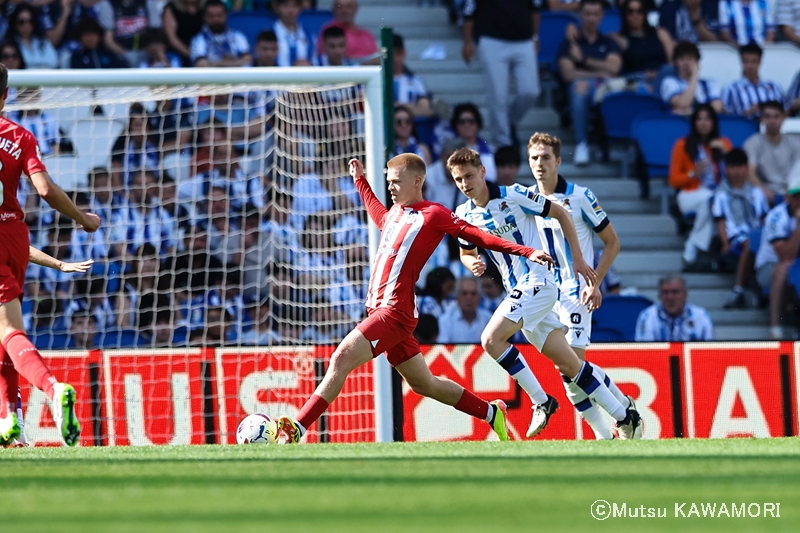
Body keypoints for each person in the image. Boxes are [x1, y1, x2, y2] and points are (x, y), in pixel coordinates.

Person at [276, 154, 554, 444]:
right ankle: (491, 413)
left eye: (396, 182)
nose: (391, 187)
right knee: (424, 384)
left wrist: (527, 251)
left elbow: (479, 236)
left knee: (341, 358)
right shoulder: (395, 214)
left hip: (393, 312)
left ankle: (298, 427)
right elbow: (377, 213)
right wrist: (360, 181)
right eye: (389, 182)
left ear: (417, 181)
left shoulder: (433, 214)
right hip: (380, 311)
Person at [448, 147, 641, 440]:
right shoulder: (464, 213)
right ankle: (624, 417)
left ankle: (541, 401)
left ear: (483, 172)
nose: (465, 184)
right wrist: (471, 262)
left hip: (538, 281)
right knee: (569, 365)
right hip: (518, 291)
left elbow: (560, 213)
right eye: (458, 179)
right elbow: (466, 251)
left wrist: (578, 259)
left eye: (469, 176)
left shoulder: (514, 195)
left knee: (491, 339)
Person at [0, 64, 101, 447]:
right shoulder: (20, 135)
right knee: (5, 335)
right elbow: (43, 188)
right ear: (5, 96)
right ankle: (11, 423)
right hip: (14, 235)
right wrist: (82, 219)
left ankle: (52, 389)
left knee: (8, 331)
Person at [525, 133, 628, 439]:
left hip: (576, 291)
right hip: (544, 294)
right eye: (534, 158)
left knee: (572, 366)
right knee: (567, 367)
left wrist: (594, 283)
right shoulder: (525, 199)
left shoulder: (580, 197)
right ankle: (621, 413)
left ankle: (608, 428)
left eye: (546, 157)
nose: (540, 164)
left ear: (558, 161)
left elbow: (612, 242)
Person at [461, 0, 540, 148]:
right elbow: (469, 11)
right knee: (497, 96)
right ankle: (503, 143)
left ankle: (510, 121)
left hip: (524, 40)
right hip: (492, 40)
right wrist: (467, 42)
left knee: (531, 91)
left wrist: (535, 36)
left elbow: (535, 9)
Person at [556, 0, 622, 166]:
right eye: (587, 14)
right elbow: (568, 74)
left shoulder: (608, 42)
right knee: (579, 88)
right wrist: (599, 73)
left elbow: (614, 68)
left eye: (595, 14)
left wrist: (583, 60)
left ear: (602, 16)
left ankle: (607, 142)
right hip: (583, 86)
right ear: (580, 15)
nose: (591, 18)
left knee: (606, 91)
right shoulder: (570, 42)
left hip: (605, 87)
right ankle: (582, 144)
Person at [669, 103, 732, 267]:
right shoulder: (682, 145)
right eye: (699, 119)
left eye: (707, 119)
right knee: (713, 199)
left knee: (714, 200)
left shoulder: (724, 143)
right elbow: (673, 180)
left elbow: (736, 174)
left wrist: (725, 154)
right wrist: (693, 173)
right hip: (690, 194)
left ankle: (693, 243)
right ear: (694, 122)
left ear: (714, 122)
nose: (703, 123)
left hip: (718, 194)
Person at [713, 149, 769, 308]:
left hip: (758, 232)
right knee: (749, 242)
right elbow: (720, 221)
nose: (737, 171)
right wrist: (725, 242)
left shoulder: (757, 192)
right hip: (736, 236)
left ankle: (764, 288)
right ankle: (738, 289)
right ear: (726, 169)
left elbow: (764, 218)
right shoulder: (721, 194)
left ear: (746, 168)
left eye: (740, 167)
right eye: (732, 167)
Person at [754, 169, 800, 339]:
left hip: (796, 264)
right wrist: (799, 226)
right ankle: (775, 327)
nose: (799, 201)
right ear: (787, 197)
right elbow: (785, 256)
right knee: (783, 269)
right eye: (796, 196)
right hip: (768, 268)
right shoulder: (775, 217)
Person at [744, 100, 800, 204]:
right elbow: (750, 173)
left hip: (792, 193)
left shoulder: (795, 144)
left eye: (776, 116)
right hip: (764, 194)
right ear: (762, 119)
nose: (772, 121)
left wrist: (790, 193)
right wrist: (764, 191)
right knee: (756, 194)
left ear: (783, 118)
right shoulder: (752, 143)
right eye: (767, 116)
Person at [612, 0, 674, 93]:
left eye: (639, 11)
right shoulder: (621, 40)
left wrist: (658, 74)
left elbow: (672, 60)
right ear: (624, 14)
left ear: (645, 13)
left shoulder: (661, 33)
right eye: (630, 11)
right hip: (638, 80)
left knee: (669, 70)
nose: (635, 15)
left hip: (662, 76)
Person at [635, 275, 714, 341]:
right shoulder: (647, 316)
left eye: (675, 292)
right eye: (665, 292)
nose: (670, 298)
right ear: (660, 296)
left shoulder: (701, 316)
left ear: (685, 295)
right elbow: (644, 351)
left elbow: (709, 350)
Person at [721, 44, 785, 118]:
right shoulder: (731, 88)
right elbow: (727, 117)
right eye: (746, 61)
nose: (750, 65)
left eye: (754, 61)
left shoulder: (774, 87)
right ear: (741, 62)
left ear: (760, 62)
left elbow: (785, 111)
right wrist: (749, 112)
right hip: (744, 124)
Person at [660, 40, 722, 115]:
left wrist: (692, 112)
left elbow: (717, 107)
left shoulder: (710, 83)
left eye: (690, 59)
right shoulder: (669, 82)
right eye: (682, 59)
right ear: (676, 62)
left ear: (697, 61)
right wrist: (694, 76)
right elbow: (682, 104)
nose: (686, 63)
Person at [190, 0, 251, 67]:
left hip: (237, 74)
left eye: (219, 15)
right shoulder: (198, 39)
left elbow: (248, 59)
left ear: (225, 15)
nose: (215, 19)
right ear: (204, 17)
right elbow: (201, 64)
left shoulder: (238, 36)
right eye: (211, 16)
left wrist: (215, 64)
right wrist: (235, 63)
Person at [436, 277, 492, 344]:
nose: (469, 298)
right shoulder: (445, 321)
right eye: (464, 293)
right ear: (457, 297)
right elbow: (442, 347)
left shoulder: (489, 319)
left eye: (473, 293)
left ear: (479, 297)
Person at [449, 103, 496, 182]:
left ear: (478, 124)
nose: (467, 125)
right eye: (462, 122)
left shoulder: (491, 149)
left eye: (471, 121)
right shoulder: (448, 150)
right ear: (455, 125)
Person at [392, 33, 433, 117]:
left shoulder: (416, 81)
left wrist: (398, 107)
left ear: (404, 53)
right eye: (390, 54)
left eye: (397, 53)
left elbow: (426, 110)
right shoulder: (377, 81)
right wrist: (410, 107)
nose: (394, 58)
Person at [6, 4, 59, 69]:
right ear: (15, 23)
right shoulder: (9, 44)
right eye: (21, 22)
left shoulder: (43, 41)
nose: (26, 25)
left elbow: (53, 61)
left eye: (30, 21)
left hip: (45, 74)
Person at [162, 0, 205, 65]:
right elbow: (171, 38)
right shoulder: (171, 8)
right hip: (177, 52)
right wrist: (190, 54)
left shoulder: (207, 7)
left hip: (202, 52)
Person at [272, 0, 314, 67]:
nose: (290, 10)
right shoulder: (270, 33)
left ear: (300, 8)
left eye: (294, 6)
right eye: (285, 5)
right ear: (277, 7)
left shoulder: (309, 35)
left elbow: (315, 61)